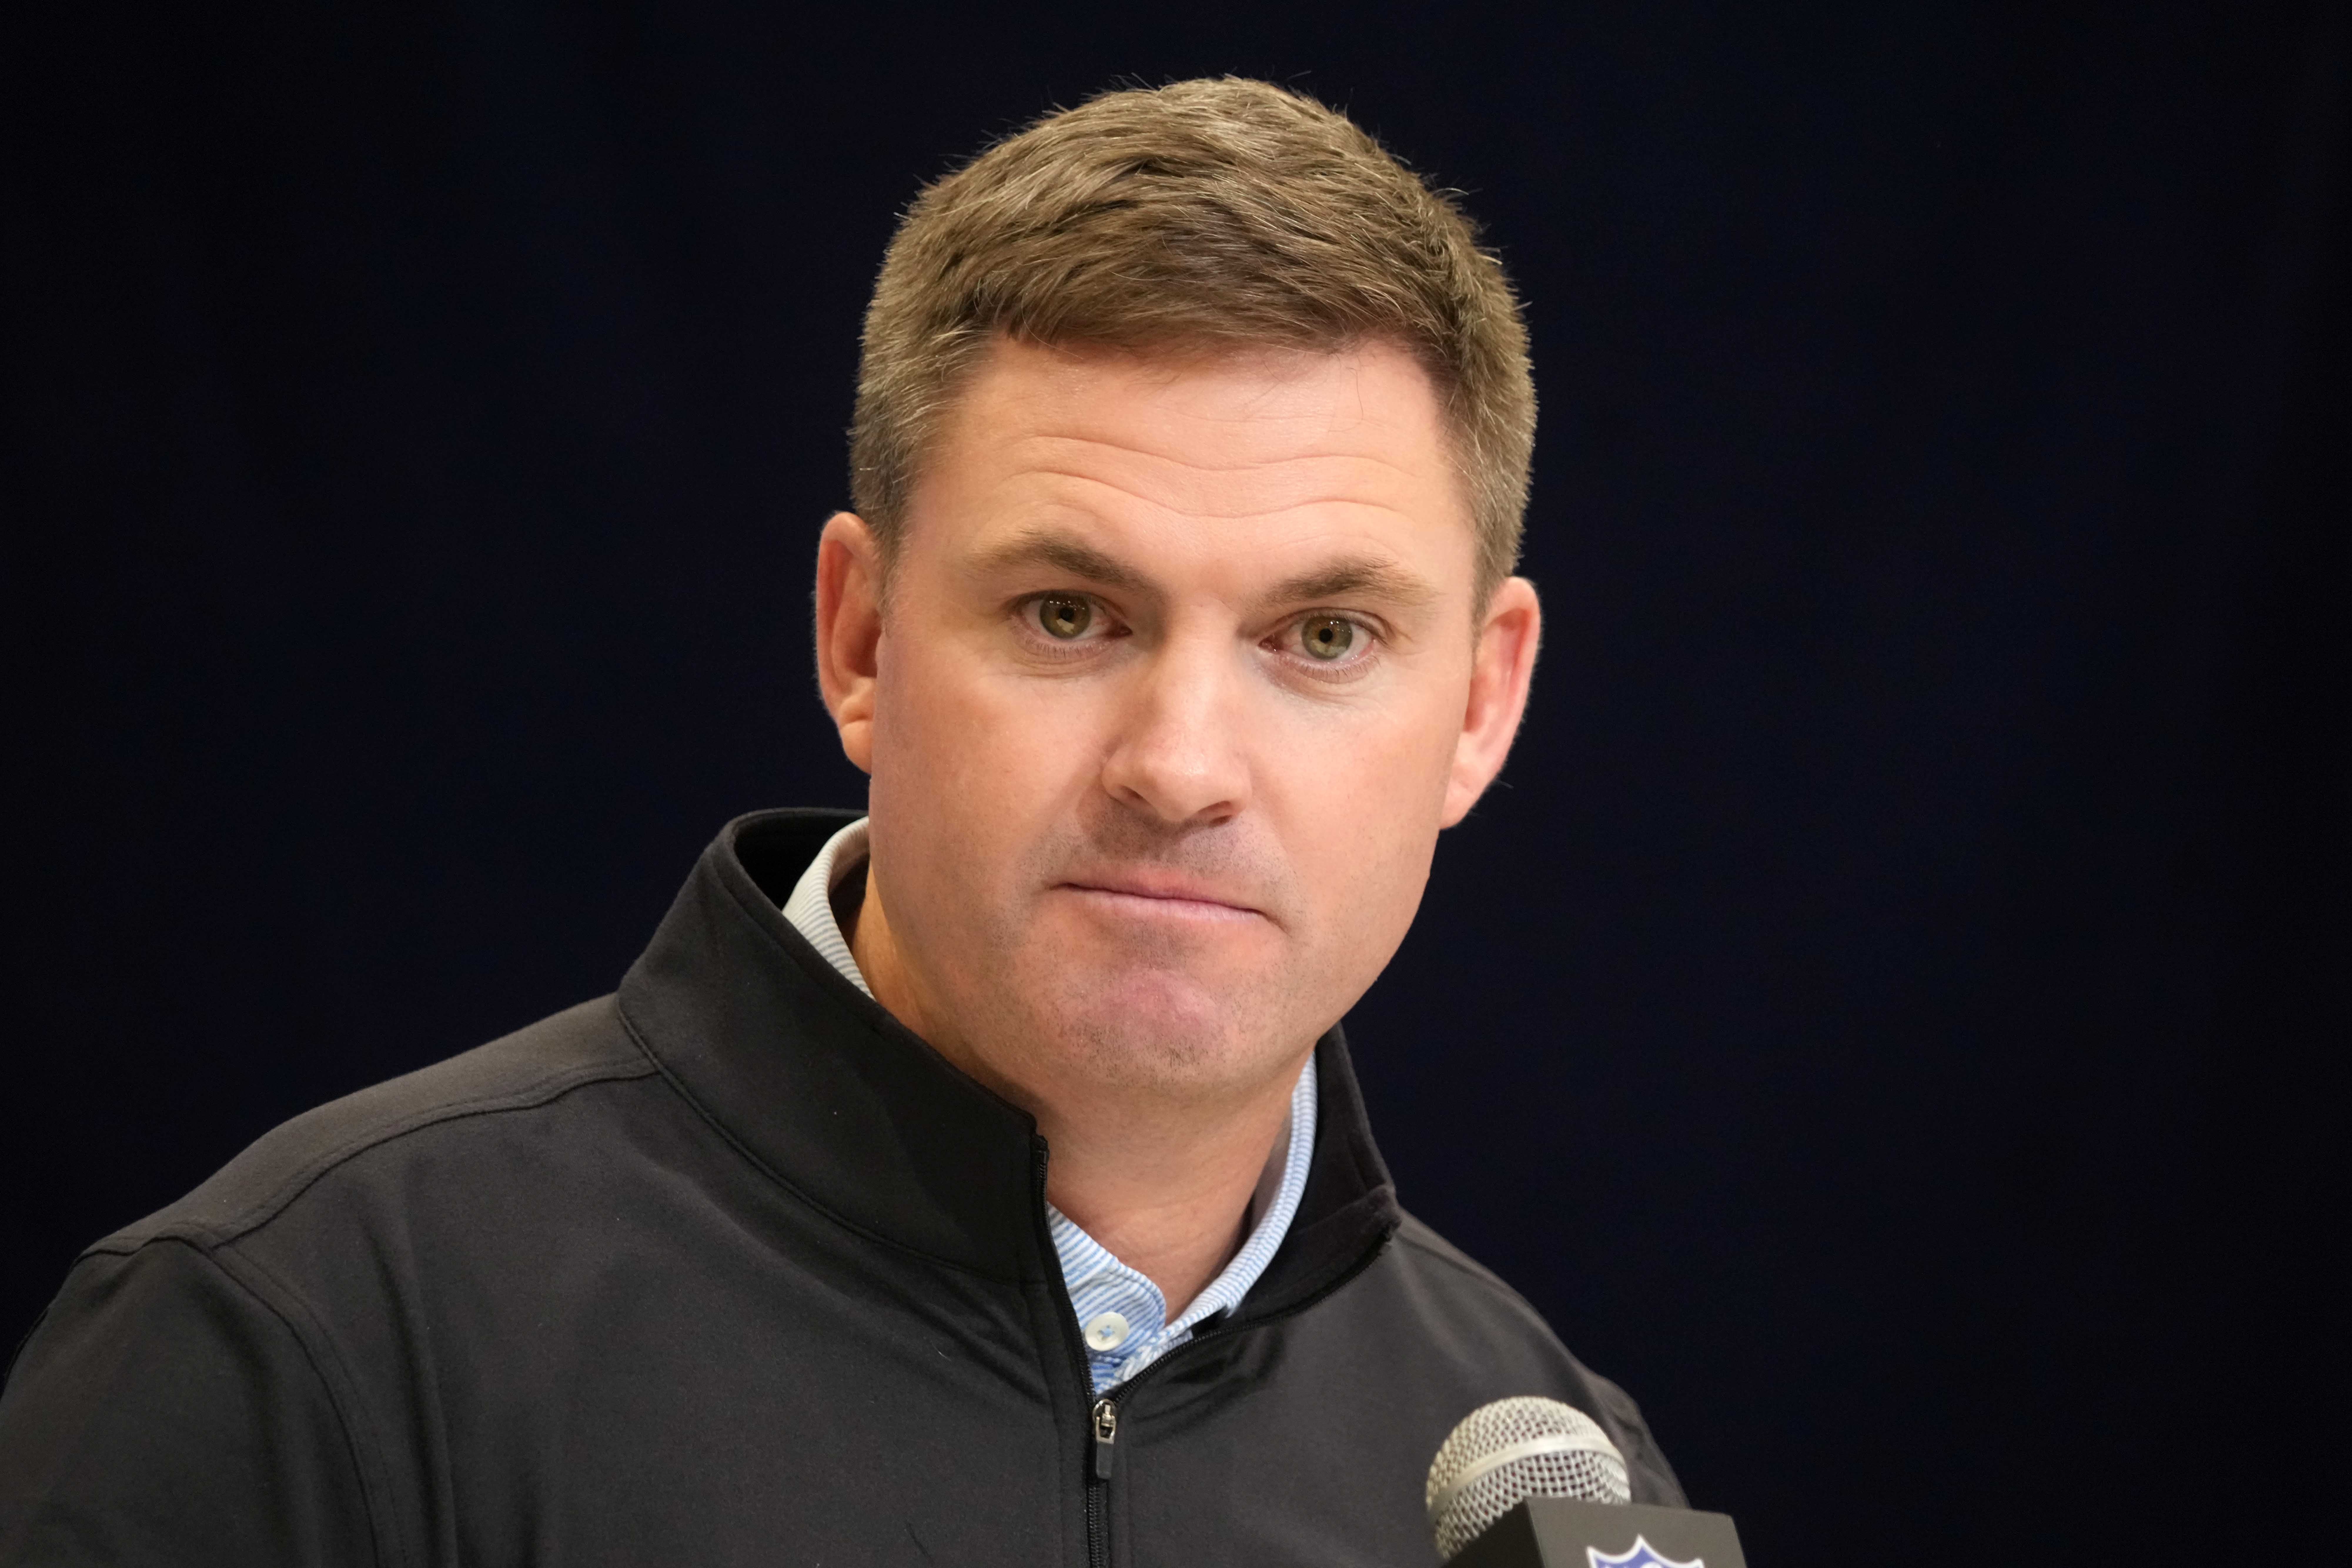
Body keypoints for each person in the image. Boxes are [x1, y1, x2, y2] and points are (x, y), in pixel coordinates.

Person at [0, 78, 1685, 1564]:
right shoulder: (309, 1346)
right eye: (1066, 614)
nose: (1178, 766)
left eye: (1322, 638)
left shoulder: (1549, 1475)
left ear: (1479, 705)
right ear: (860, 640)